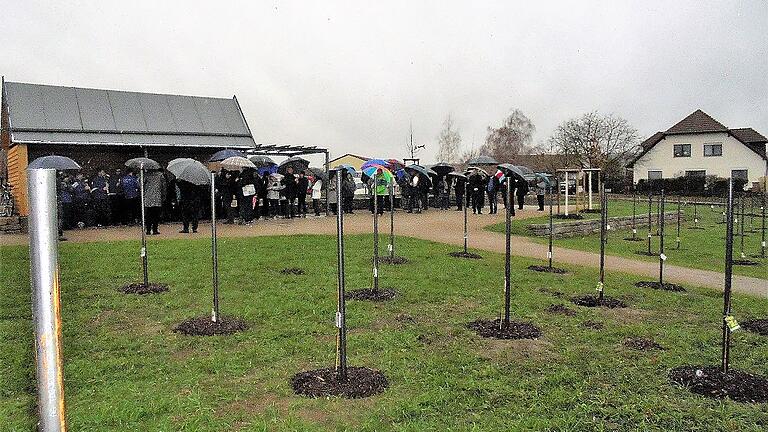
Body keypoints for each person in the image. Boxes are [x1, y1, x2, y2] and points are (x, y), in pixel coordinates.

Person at [143, 170, 166, 235]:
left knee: (148, 215)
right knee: (156, 215)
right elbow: (163, 187)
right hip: (157, 198)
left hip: (148, 198)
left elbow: (141, 185)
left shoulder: (146, 175)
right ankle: (155, 230)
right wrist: (163, 196)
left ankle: (148, 230)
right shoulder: (160, 175)